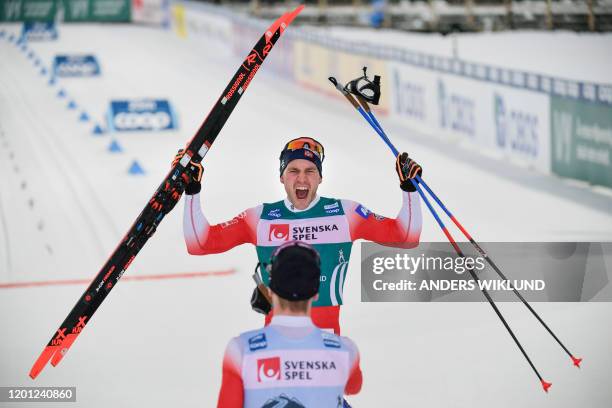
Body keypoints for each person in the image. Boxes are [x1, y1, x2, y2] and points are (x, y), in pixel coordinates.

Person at [176, 136, 423, 333]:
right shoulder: (260, 217)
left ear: (320, 178)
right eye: (293, 170)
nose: (302, 178)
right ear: (282, 177)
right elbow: (200, 243)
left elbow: (406, 237)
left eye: (310, 171)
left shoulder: (345, 213)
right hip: (275, 343)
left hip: (326, 345)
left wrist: (409, 189)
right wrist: (192, 191)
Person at [217, 241, 362, 408]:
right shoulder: (345, 350)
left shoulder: (240, 350)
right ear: (316, 294)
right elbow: (353, 387)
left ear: (270, 291)